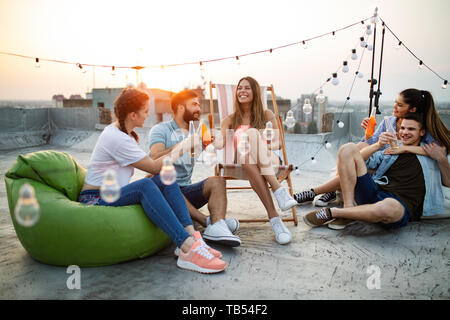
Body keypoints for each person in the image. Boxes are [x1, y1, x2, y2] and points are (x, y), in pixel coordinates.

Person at [78, 87, 227, 274]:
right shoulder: (116, 138)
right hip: (95, 199)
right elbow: (155, 165)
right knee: (146, 184)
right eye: (146, 110)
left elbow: (157, 169)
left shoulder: (124, 134)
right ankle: (187, 247)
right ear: (133, 115)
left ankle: (192, 237)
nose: (148, 114)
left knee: (165, 176)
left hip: (113, 193)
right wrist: (183, 146)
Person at [294, 88, 450, 228]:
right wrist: (375, 143)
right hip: (375, 186)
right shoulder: (390, 143)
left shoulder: (430, 148)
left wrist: (437, 157)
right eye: (402, 128)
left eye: (410, 129)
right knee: (349, 148)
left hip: (397, 202)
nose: (404, 132)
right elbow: (360, 155)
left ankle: (335, 212)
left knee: (389, 208)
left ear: (422, 132)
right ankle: (346, 207)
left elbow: (446, 174)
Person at [149, 89, 241, 247]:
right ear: (180, 107)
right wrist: (183, 145)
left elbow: (218, 146)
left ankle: (218, 225)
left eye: (198, 104)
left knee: (217, 181)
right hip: (164, 191)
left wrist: (217, 138)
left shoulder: (197, 132)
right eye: (194, 104)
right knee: (172, 185)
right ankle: (208, 222)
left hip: (186, 192)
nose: (198, 108)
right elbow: (155, 158)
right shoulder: (160, 130)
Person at [216, 76, 297, 245]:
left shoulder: (267, 114)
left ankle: (275, 214)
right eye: (239, 88)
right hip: (246, 161)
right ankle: (277, 203)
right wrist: (212, 139)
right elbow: (220, 140)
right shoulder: (229, 120)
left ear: (254, 92)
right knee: (246, 153)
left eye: (247, 88)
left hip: (269, 158)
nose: (242, 91)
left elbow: (278, 142)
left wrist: (263, 146)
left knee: (252, 136)